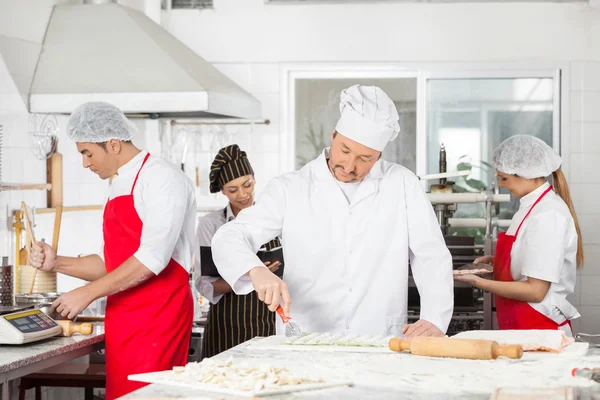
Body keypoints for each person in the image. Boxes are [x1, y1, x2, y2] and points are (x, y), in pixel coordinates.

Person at [211, 84, 454, 339]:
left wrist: (434, 318)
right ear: (333, 135)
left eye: (365, 158)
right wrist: (255, 270)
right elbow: (229, 236)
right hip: (306, 336)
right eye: (345, 150)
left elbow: (431, 254)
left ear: (380, 154)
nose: (350, 166)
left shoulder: (402, 184)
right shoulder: (290, 188)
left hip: (378, 335)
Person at [28, 102, 196, 399]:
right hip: (124, 318)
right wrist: (57, 262)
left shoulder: (161, 177)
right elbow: (113, 264)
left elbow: (152, 259)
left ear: (114, 144)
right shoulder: (118, 185)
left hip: (159, 317)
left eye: (87, 152)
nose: (85, 162)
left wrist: (88, 292)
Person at [455, 135, 582, 337]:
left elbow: (536, 291)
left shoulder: (548, 214)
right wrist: (499, 262)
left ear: (529, 174)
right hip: (520, 323)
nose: (501, 184)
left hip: (541, 327)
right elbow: (534, 259)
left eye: (504, 178)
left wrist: (480, 283)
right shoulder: (530, 207)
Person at [195, 144, 282, 358]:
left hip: (269, 320)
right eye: (233, 190)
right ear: (222, 190)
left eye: (247, 184)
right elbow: (205, 285)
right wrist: (253, 274)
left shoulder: (275, 218)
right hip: (227, 325)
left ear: (254, 179)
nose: (243, 195)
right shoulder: (211, 225)